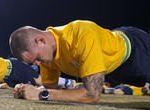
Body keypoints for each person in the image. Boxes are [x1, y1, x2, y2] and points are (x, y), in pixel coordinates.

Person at [9, 20, 150, 103]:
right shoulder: (46, 55)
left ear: (41, 40)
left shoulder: (81, 33)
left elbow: (92, 95)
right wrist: (26, 90)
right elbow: (52, 89)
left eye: (37, 59)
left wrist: (41, 94)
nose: (38, 64)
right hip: (111, 66)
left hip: (136, 49)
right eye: (33, 62)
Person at [0, 55, 75, 92]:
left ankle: (69, 82)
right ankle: (63, 85)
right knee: (33, 88)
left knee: (41, 81)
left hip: (15, 68)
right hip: (9, 77)